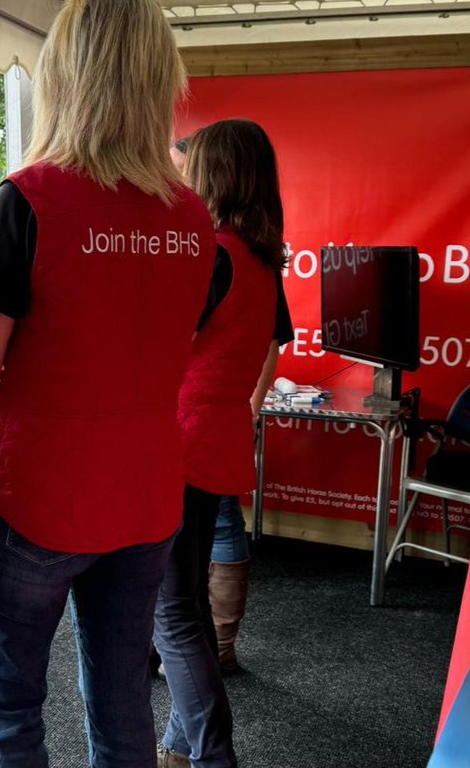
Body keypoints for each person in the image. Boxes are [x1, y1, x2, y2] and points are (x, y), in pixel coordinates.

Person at [0, 0, 215, 765]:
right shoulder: (192, 216)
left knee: (7, 705)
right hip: (144, 491)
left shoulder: (30, 199)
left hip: (36, 488)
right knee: (122, 694)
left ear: (67, 73)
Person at [154, 119, 294, 768]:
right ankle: (182, 747)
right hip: (217, 444)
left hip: (180, 445)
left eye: (191, 165)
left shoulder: (211, 254)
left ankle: (212, 754)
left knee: (175, 615)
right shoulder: (261, 259)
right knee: (190, 611)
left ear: (215, 175)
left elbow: (162, 350)